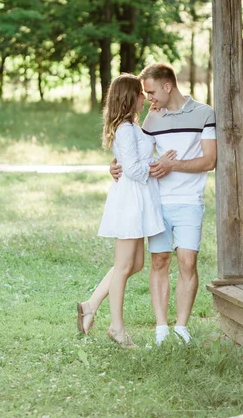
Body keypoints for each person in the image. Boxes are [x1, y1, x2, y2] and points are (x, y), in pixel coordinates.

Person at [111, 63, 216, 345]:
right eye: (145, 93)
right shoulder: (151, 120)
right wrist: (116, 165)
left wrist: (172, 165)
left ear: (168, 86)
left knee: (187, 261)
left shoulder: (204, 113)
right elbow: (134, 151)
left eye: (152, 91)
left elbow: (210, 160)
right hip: (156, 201)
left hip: (189, 201)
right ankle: (161, 328)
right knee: (159, 260)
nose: (149, 98)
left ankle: (181, 328)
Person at [77, 73, 175, 348]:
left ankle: (91, 305)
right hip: (130, 201)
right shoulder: (124, 129)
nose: (145, 97)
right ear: (131, 97)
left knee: (136, 264)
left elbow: (131, 157)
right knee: (123, 266)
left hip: (138, 199)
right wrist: (160, 163)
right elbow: (132, 169)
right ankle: (117, 328)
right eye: (142, 94)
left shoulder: (131, 126)